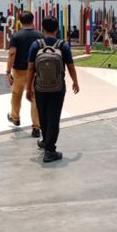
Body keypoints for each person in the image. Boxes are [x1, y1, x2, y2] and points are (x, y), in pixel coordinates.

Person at [26, 16, 80, 163]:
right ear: (57, 29)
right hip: (58, 88)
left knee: (43, 115)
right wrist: (75, 81)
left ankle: (45, 142)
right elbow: (70, 66)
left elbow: (31, 68)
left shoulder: (36, 45)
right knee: (53, 117)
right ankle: (50, 150)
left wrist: (28, 88)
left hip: (40, 87)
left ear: (43, 28)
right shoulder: (63, 45)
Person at [6, 11, 43, 136]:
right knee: (35, 97)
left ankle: (15, 118)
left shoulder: (16, 36)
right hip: (36, 71)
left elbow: (12, 54)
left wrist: (7, 71)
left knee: (16, 94)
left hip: (19, 70)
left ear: (20, 21)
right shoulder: (40, 35)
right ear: (33, 20)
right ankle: (36, 126)